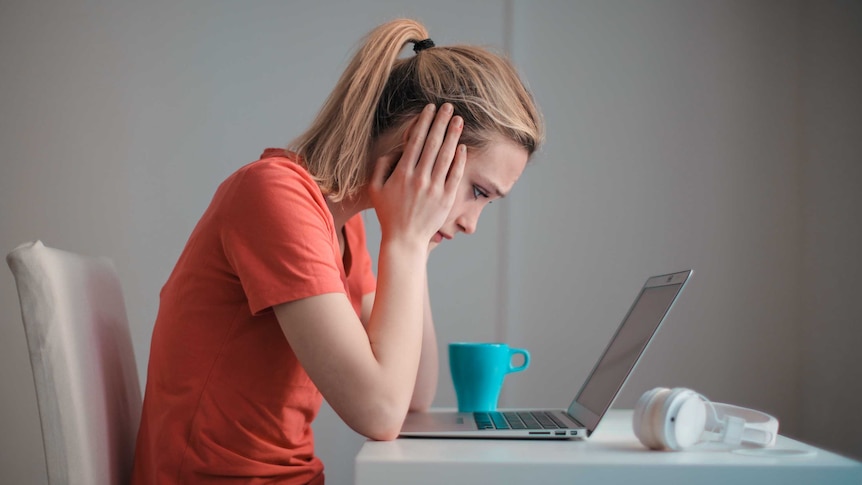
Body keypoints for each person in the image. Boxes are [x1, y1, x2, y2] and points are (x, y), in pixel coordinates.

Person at [131, 18, 543, 485]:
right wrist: (406, 242)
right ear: (420, 145)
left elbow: (413, 396)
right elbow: (380, 412)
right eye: (478, 192)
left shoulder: (346, 230)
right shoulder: (273, 196)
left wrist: (415, 244)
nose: (472, 222)